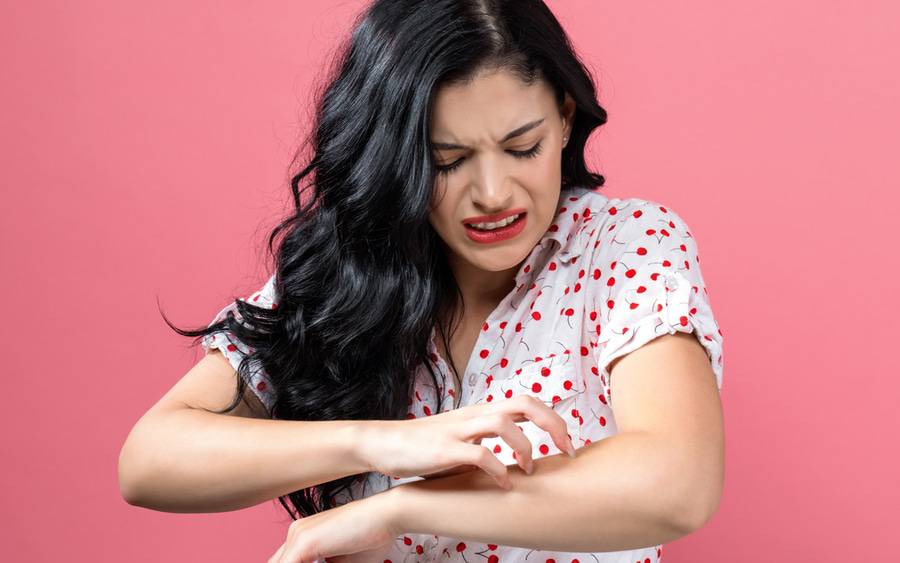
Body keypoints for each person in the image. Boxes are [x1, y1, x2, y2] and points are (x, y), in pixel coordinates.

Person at [118, 1, 726, 561]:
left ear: (565, 120)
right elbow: (149, 462)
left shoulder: (619, 248)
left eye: (523, 147)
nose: (493, 194)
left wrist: (397, 508)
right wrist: (378, 444)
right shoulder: (350, 273)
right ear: (394, 157)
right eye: (447, 161)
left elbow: (676, 482)